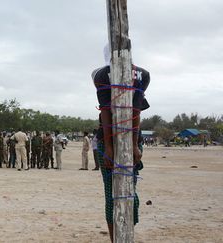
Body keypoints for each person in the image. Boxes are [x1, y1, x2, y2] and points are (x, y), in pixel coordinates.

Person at [92, 44, 150, 242]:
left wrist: (114, 147)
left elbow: (110, 112)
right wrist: (131, 145)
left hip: (113, 142)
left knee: (121, 194)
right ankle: (117, 239)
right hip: (122, 142)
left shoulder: (100, 75)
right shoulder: (142, 74)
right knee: (120, 193)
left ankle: (123, 236)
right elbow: (133, 111)